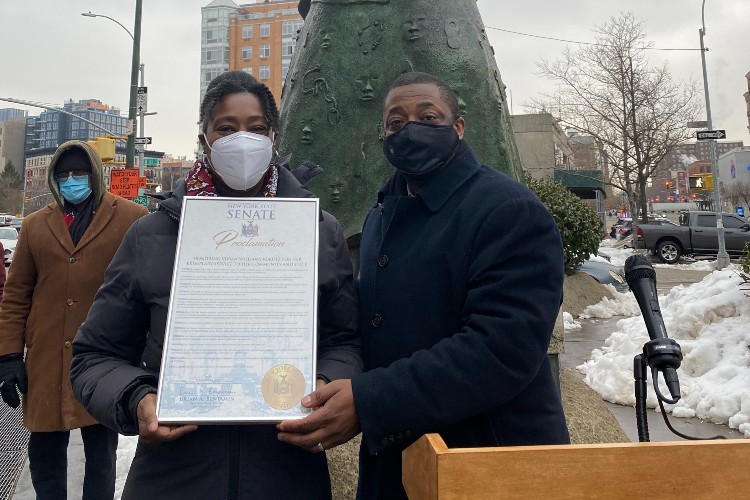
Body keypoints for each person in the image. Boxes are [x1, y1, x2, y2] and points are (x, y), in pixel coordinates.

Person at [277, 72, 570, 499]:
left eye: (427, 116)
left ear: (459, 127)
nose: (409, 128)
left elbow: (501, 349)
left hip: (487, 465)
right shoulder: (383, 215)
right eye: (395, 122)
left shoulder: (509, 210)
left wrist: (368, 400)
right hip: (396, 466)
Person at [70, 71, 361, 499]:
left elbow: (347, 340)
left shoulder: (317, 232)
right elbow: (93, 356)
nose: (242, 140)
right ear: (205, 140)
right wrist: (137, 399)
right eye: (226, 128)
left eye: (256, 129)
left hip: (287, 474)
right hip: (173, 478)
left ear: (274, 139)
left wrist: (326, 385)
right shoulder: (152, 235)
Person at [0, 140, 148, 499]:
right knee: (44, 453)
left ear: (94, 173)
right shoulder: (36, 225)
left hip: (105, 358)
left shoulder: (132, 219)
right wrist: (7, 357)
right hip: (46, 357)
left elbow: (146, 290)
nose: (71, 179)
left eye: (79, 172)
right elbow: (16, 294)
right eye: (63, 173)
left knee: (101, 456)